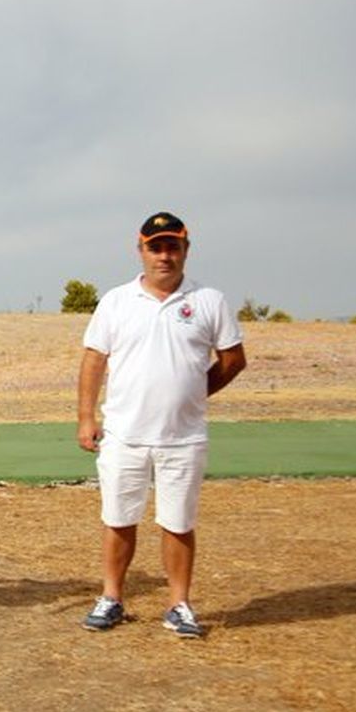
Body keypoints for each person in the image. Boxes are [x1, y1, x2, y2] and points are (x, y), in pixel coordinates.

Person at [77, 211, 247, 638]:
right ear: (141, 251)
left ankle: (179, 605)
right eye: (156, 247)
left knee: (178, 522)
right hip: (124, 435)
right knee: (118, 518)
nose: (164, 256)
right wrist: (86, 416)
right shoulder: (116, 301)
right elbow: (94, 360)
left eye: (172, 246)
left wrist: (194, 392)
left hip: (183, 438)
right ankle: (112, 597)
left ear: (186, 250)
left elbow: (233, 360)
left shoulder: (209, 301)